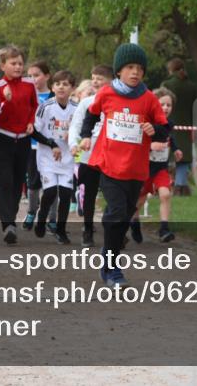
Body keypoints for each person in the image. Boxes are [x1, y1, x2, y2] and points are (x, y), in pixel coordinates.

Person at [79, 43, 170, 288]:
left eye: (140, 68)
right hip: (109, 163)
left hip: (137, 168)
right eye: (130, 67)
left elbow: (164, 129)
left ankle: (109, 260)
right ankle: (113, 268)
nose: (135, 72)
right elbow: (91, 114)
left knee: (124, 216)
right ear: (119, 70)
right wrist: (86, 135)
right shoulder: (107, 93)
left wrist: (155, 130)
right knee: (116, 213)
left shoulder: (149, 98)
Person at [0, 45, 38, 245]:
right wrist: (5, 101)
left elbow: (35, 106)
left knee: (19, 181)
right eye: (13, 63)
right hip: (3, 137)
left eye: (20, 63)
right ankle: (7, 224)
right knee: (4, 181)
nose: (18, 67)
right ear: (3, 65)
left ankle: (12, 217)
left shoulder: (29, 84)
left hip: (23, 138)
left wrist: (31, 122)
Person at [130, 87, 184, 244]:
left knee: (165, 194)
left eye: (169, 105)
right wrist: (150, 146)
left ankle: (164, 229)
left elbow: (169, 137)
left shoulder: (169, 123)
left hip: (161, 168)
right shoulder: (146, 123)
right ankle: (134, 222)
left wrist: (176, 149)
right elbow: (135, 144)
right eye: (162, 104)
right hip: (144, 168)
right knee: (138, 201)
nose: (166, 108)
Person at [69, 64, 113, 247]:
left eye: (100, 78)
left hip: (111, 156)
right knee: (90, 194)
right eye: (93, 77)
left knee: (112, 194)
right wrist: (73, 143)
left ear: (111, 81)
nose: (95, 81)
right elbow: (76, 125)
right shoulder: (87, 103)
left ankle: (114, 230)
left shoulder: (115, 102)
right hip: (89, 156)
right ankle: (88, 230)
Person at [31, 70, 77, 242]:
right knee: (50, 192)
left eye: (65, 84)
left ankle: (61, 229)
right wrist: (52, 144)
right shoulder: (45, 107)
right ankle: (41, 219)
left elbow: (80, 130)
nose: (61, 87)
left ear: (72, 88)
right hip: (47, 157)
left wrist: (74, 137)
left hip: (67, 158)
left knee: (65, 194)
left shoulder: (76, 109)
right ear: (53, 87)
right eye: (58, 84)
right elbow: (34, 132)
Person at [162, 58, 197, 196]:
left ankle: (162, 185)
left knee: (163, 155)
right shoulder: (192, 86)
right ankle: (180, 186)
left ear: (171, 70)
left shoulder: (167, 85)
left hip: (167, 124)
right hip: (186, 126)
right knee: (183, 157)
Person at [24, 61, 53, 229]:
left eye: (36, 75)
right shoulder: (27, 96)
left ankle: (51, 216)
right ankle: (31, 211)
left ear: (47, 76)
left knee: (51, 183)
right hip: (32, 146)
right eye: (29, 75)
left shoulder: (53, 97)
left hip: (50, 147)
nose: (33, 79)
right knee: (33, 182)